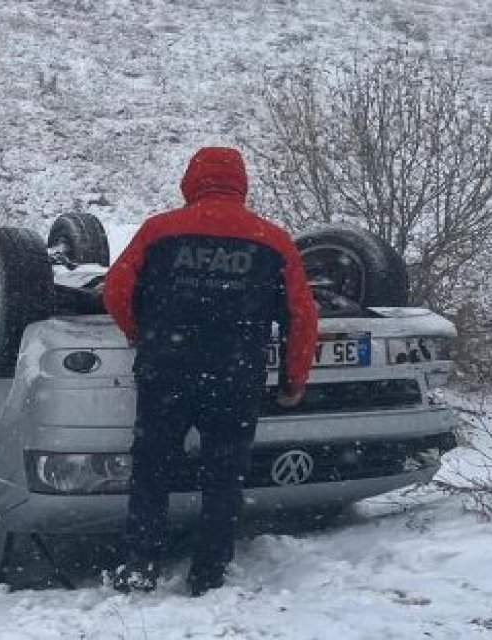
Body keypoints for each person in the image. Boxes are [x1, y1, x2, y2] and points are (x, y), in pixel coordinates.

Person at [103, 147, 319, 596]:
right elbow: (301, 316)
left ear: (191, 181)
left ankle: (142, 563)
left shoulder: (158, 231)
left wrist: (139, 332)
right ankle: (209, 572)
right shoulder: (273, 240)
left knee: (152, 469)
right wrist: (294, 378)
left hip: (166, 371)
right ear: (240, 184)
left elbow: (116, 289)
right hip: (236, 375)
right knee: (224, 476)